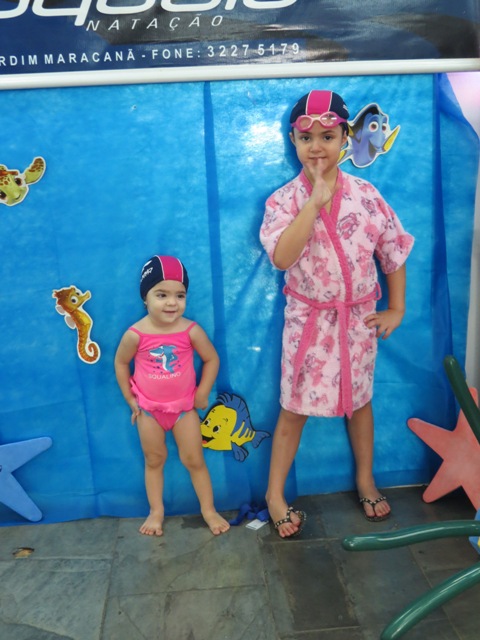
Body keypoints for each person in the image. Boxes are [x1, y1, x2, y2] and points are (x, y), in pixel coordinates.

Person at [259, 90, 414, 538]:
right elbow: (282, 258)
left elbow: (393, 250)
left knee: (360, 403)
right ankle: (274, 494)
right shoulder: (284, 201)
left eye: (327, 136)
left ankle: (366, 479)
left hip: (358, 320)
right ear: (293, 140)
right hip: (308, 323)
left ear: (346, 137)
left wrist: (396, 307)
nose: (317, 147)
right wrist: (313, 203)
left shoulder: (366, 195)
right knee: (293, 408)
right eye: (306, 137)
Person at [114, 255, 230, 537]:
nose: (171, 303)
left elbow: (212, 359)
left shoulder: (190, 330)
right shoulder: (135, 335)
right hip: (149, 411)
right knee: (154, 460)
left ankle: (209, 510)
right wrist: (130, 399)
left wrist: (202, 393)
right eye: (161, 294)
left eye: (180, 295)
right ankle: (156, 512)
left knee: (194, 460)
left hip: (184, 410)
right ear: (145, 298)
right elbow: (120, 363)